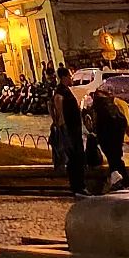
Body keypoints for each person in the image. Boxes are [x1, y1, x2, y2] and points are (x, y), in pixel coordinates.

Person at [89, 89, 129, 190]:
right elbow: (128, 129)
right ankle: (121, 182)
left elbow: (96, 124)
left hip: (106, 133)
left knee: (113, 158)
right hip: (117, 129)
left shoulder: (99, 107)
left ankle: (119, 180)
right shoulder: (116, 105)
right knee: (117, 158)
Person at [51, 67, 87, 197]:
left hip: (74, 130)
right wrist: (61, 126)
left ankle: (79, 186)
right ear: (64, 77)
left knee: (77, 158)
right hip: (70, 130)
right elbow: (57, 107)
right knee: (74, 159)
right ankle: (78, 187)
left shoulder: (65, 90)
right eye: (70, 76)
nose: (71, 78)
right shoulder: (60, 92)